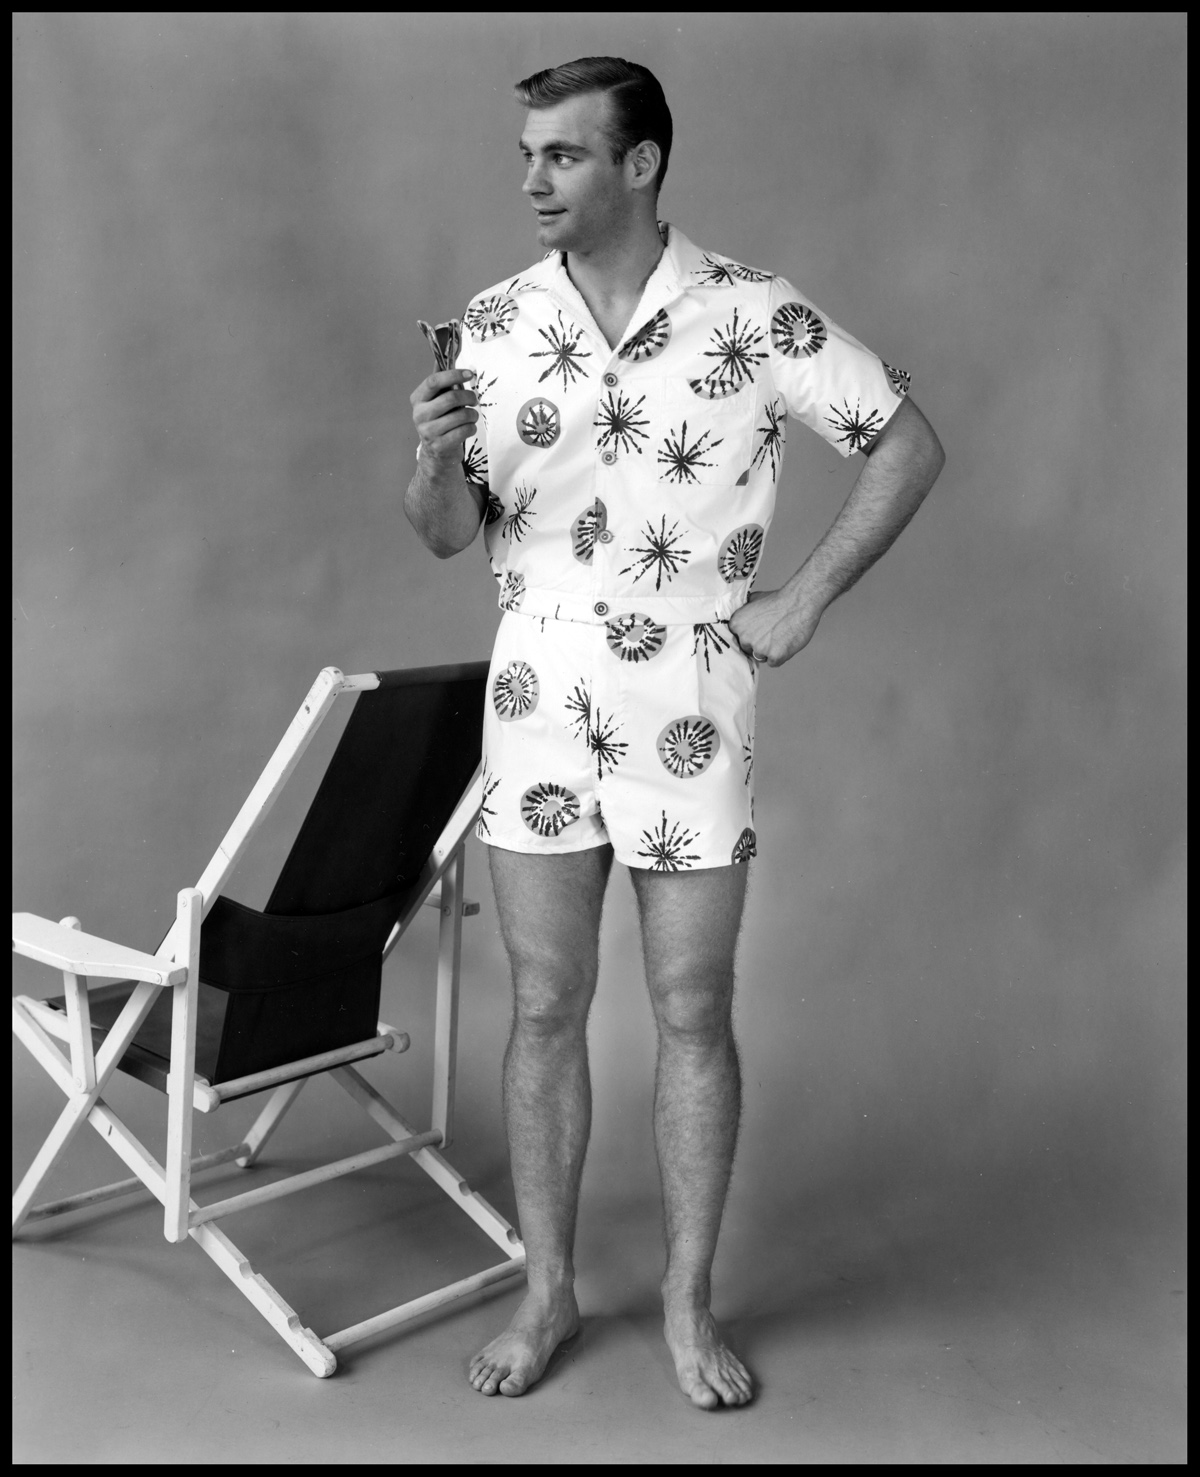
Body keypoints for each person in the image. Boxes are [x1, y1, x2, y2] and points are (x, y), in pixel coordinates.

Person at [405, 56, 945, 1410]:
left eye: (563, 156)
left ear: (639, 164)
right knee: (542, 1004)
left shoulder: (751, 312)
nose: (532, 180)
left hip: (690, 708)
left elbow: (903, 441)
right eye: (527, 154)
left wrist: (806, 597)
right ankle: (547, 1295)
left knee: (695, 1009)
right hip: (536, 702)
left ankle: (691, 1305)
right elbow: (447, 533)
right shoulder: (491, 321)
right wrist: (426, 460)